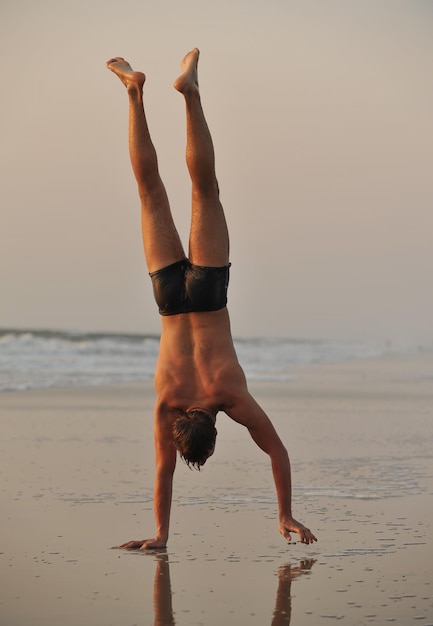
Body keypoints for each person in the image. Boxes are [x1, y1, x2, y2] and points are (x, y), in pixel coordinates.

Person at [106, 48, 317, 548]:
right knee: (149, 190)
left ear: (214, 431)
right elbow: (163, 475)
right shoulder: (166, 404)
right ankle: (134, 92)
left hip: (209, 292)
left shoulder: (230, 397)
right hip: (169, 298)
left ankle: (190, 94)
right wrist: (158, 533)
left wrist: (286, 513)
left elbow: (278, 452)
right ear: (182, 426)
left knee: (205, 192)